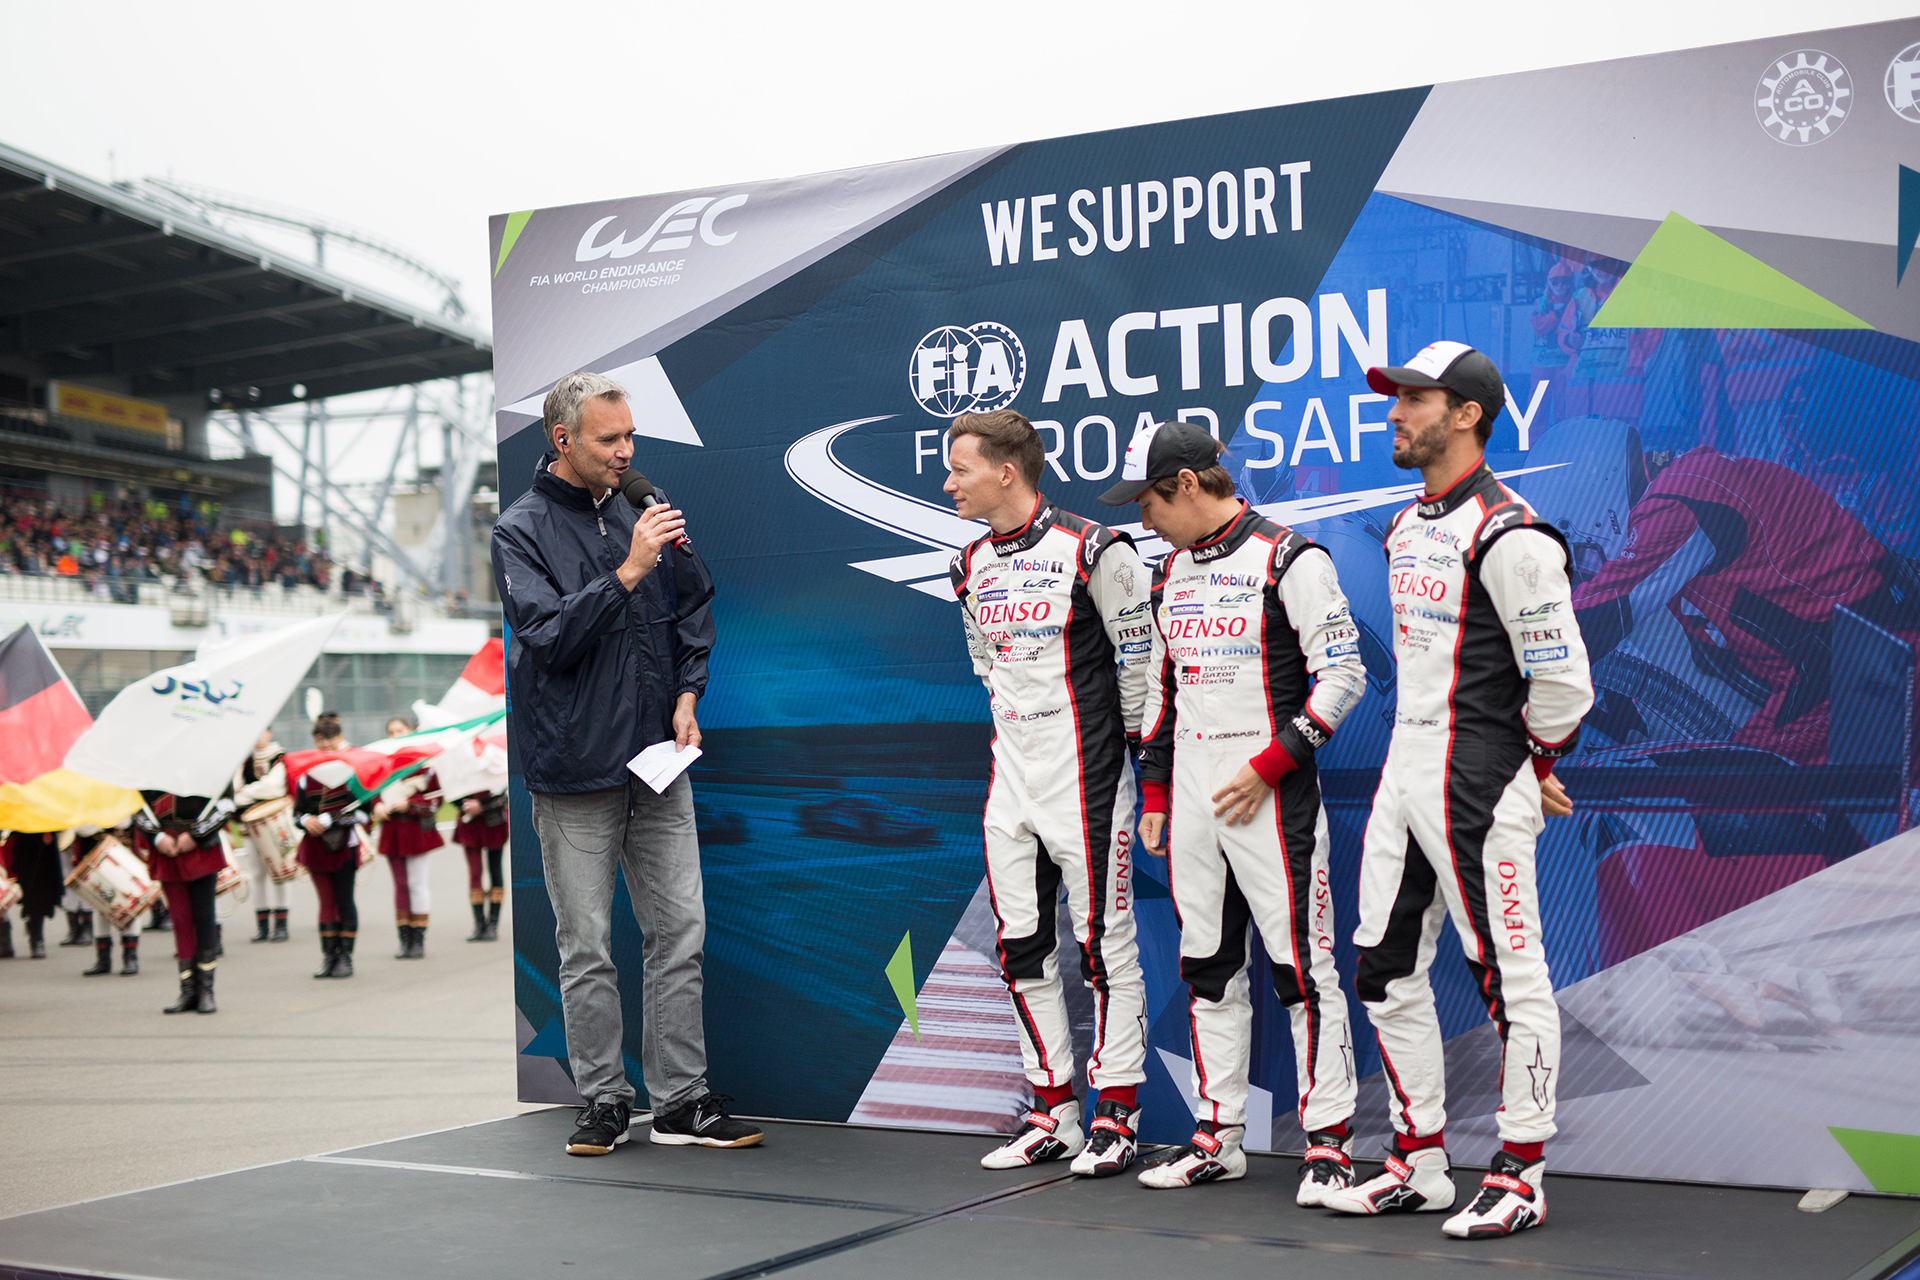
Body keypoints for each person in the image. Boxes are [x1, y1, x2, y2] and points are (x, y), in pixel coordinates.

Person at [1320, 341, 1593, 1238]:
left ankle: (1520, 1171)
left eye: (1412, 398)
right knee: (1383, 968)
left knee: (1510, 977)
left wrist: (1534, 766)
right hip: (1409, 769)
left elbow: (1562, 684)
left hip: (1478, 777)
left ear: (1466, 413)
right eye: (1394, 398)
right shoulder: (1406, 526)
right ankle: (1420, 1160)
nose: (1393, 412)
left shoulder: (1510, 533)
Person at [491, 370, 760, 1155]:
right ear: (563, 440)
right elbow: (547, 639)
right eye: (610, 439)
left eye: (631, 436)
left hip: (659, 761)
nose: (627, 451)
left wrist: (688, 693)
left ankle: (681, 1101)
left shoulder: (646, 506)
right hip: (575, 772)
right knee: (587, 946)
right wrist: (629, 571)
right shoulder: (520, 530)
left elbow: (695, 604)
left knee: (680, 932)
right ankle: (605, 1099)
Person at [1102, 422, 1365, 1198]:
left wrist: (1270, 765)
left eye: (1147, 501)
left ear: (1186, 484)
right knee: (1208, 971)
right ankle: (1218, 1135)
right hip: (1189, 801)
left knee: (1301, 972)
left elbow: (1342, 675)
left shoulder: (1291, 558)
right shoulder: (1166, 576)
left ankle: (1330, 1143)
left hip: (1271, 797)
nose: (1142, 520)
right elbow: (1159, 696)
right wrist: (1153, 793)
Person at [943, 409, 1153, 1178]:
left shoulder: (1096, 548)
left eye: (959, 468)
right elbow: (987, 669)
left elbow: (1142, 668)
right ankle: (1052, 1110)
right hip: (1012, 783)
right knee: (1021, 947)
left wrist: (1144, 774)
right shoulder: (967, 564)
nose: (948, 481)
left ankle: (1118, 1115)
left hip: (1091, 783)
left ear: (1007, 471)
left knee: (1105, 948)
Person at [132, 789, 236, 1015]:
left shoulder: (209, 761)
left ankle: (206, 991)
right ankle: (188, 991)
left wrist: (197, 835)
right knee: (180, 920)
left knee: (203, 917)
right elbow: (137, 806)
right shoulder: (149, 763)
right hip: (166, 846)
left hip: (199, 846)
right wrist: (157, 837)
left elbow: (226, 804)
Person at [295, 713, 371, 980]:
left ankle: (345, 957)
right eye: (320, 739)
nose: (325, 744)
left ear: (340, 739)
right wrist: (307, 820)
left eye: (330, 739)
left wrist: (332, 819)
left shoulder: (352, 771)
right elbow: (297, 812)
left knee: (344, 899)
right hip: (315, 845)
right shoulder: (305, 774)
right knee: (325, 901)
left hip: (344, 846)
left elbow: (365, 813)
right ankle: (329, 956)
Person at [373, 715, 443, 960]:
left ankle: (418, 940)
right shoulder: (383, 765)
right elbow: (371, 792)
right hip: (392, 830)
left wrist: (410, 803)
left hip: (416, 831)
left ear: (411, 731)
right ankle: (404, 940)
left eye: (400, 730)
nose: (395, 735)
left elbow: (436, 799)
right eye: (391, 732)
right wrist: (376, 807)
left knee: (417, 884)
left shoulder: (423, 765)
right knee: (400, 886)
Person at [231, 727, 294, 943]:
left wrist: (246, 794)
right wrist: (246, 794)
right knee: (257, 873)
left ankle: (282, 924)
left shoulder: (280, 757)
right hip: (249, 825)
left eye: (261, 731)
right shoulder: (244, 761)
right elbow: (234, 790)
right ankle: (262, 925)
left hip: (276, 825)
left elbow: (274, 788)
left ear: (269, 732)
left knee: (281, 870)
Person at [70, 825, 140, 976]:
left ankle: (130, 957)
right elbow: (82, 828)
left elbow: (126, 821)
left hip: (122, 852)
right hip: (96, 852)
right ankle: (103, 960)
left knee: (129, 902)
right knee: (99, 904)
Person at [454, 787, 509, 941]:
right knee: (475, 873)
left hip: (493, 820)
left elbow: (505, 790)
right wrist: (465, 805)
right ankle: (479, 924)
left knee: (495, 871)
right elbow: (450, 788)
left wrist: (482, 805)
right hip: (469, 821)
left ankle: (493, 923)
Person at [3, 829, 62, 959]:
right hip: (10, 830)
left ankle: (36, 939)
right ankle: (4, 941)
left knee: (37, 891)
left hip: (36, 835)